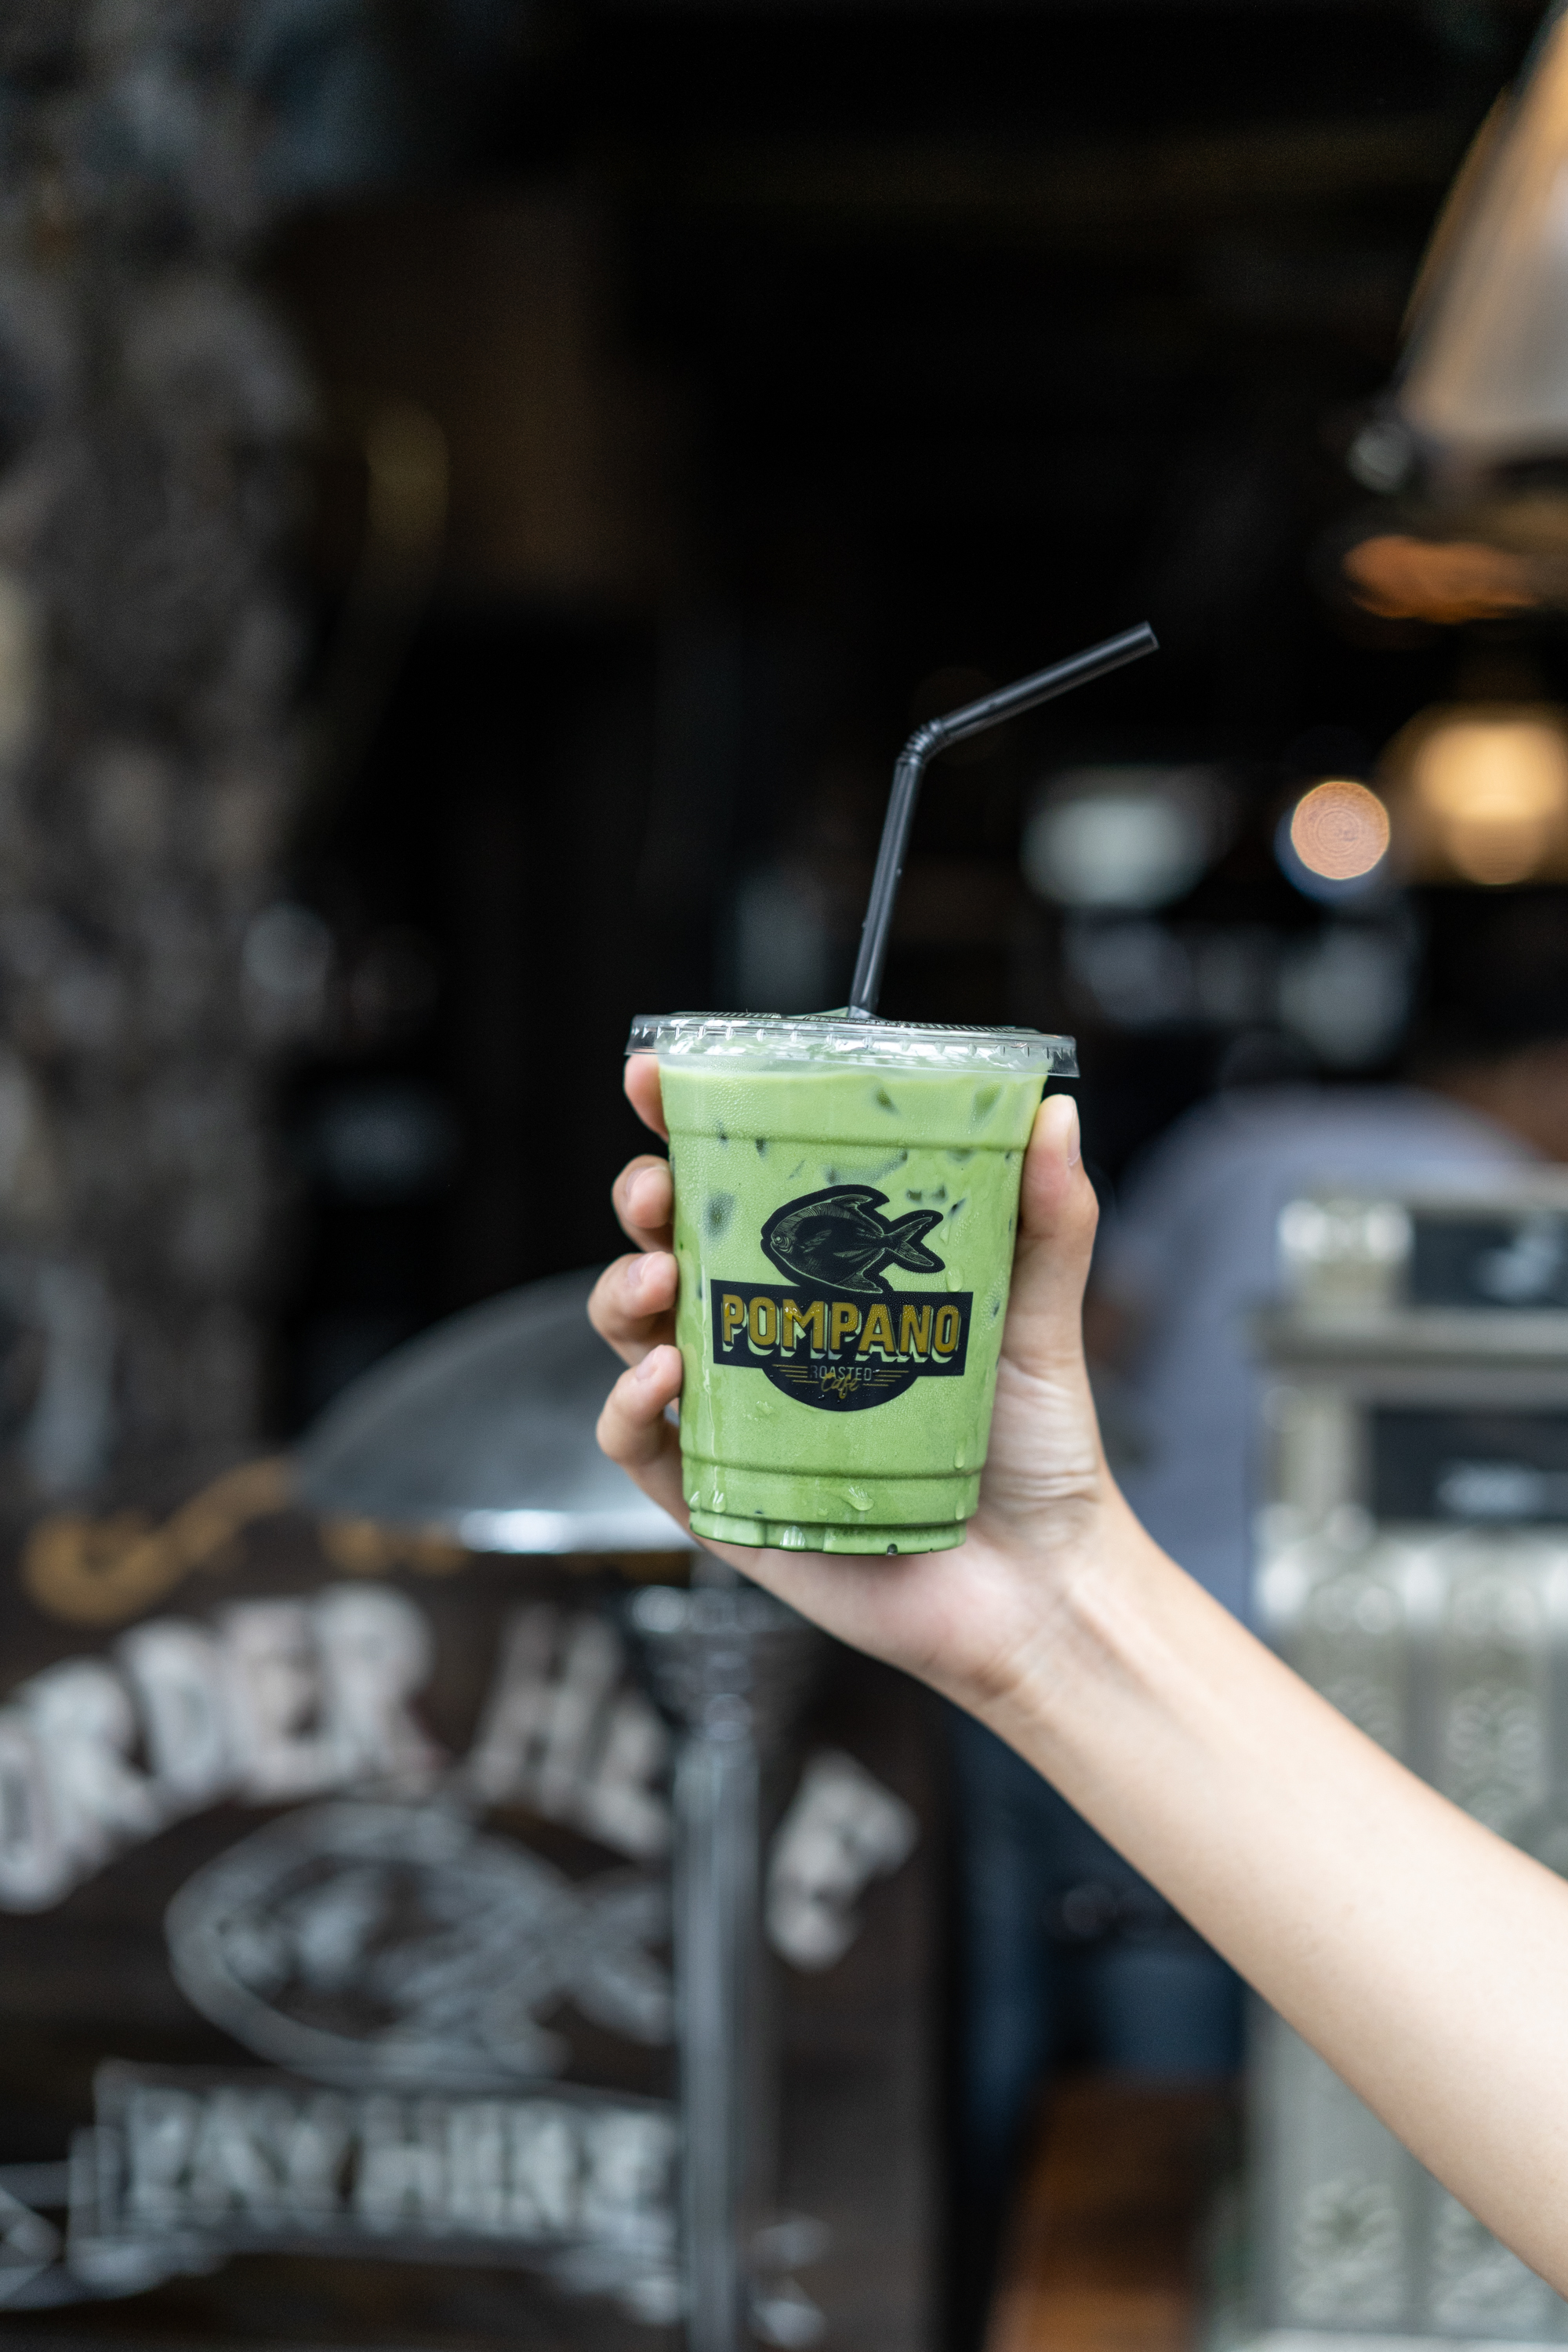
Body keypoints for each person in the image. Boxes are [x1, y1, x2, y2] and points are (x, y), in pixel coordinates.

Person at [590, 1055, 1568, 2299]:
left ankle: (1040, 2227)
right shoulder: (1501, 1194)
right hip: (1262, 1637)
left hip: (1178, 1606)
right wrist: (1049, 1607)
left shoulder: (1240, 1136)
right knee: (1173, 1999)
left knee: (1017, 1976)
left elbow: (1104, 1331)